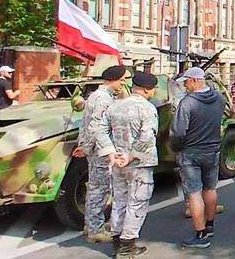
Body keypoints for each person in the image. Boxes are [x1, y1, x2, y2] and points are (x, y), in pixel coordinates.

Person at [96, 71, 159, 259]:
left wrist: (111, 153)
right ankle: (127, 246)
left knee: (119, 202)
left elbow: (100, 131)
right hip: (140, 163)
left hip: (117, 163)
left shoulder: (115, 106)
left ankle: (116, 240)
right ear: (147, 89)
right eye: (154, 89)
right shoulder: (147, 109)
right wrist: (131, 156)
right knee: (137, 203)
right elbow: (147, 137)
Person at [170, 67, 226, 249]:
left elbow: (178, 132)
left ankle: (200, 234)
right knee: (210, 189)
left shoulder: (187, 103)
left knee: (194, 193)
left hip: (190, 152)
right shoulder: (219, 97)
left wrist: (176, 148)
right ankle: (210, 225)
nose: (185, 86)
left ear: (194, 81)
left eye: (186, 82)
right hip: (213, 149)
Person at [73, 65, 126, 244]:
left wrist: (85, 146)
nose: (123, 83)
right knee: (100, 190)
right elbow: (97, 128)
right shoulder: (104, 100)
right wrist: (89, 147)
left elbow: (85, 124)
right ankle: (95, 229)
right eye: (122, 80)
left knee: (96, 188)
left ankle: (91, 224)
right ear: (113, 80)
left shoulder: (96, 96)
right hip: (102, 151)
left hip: (97, 149)